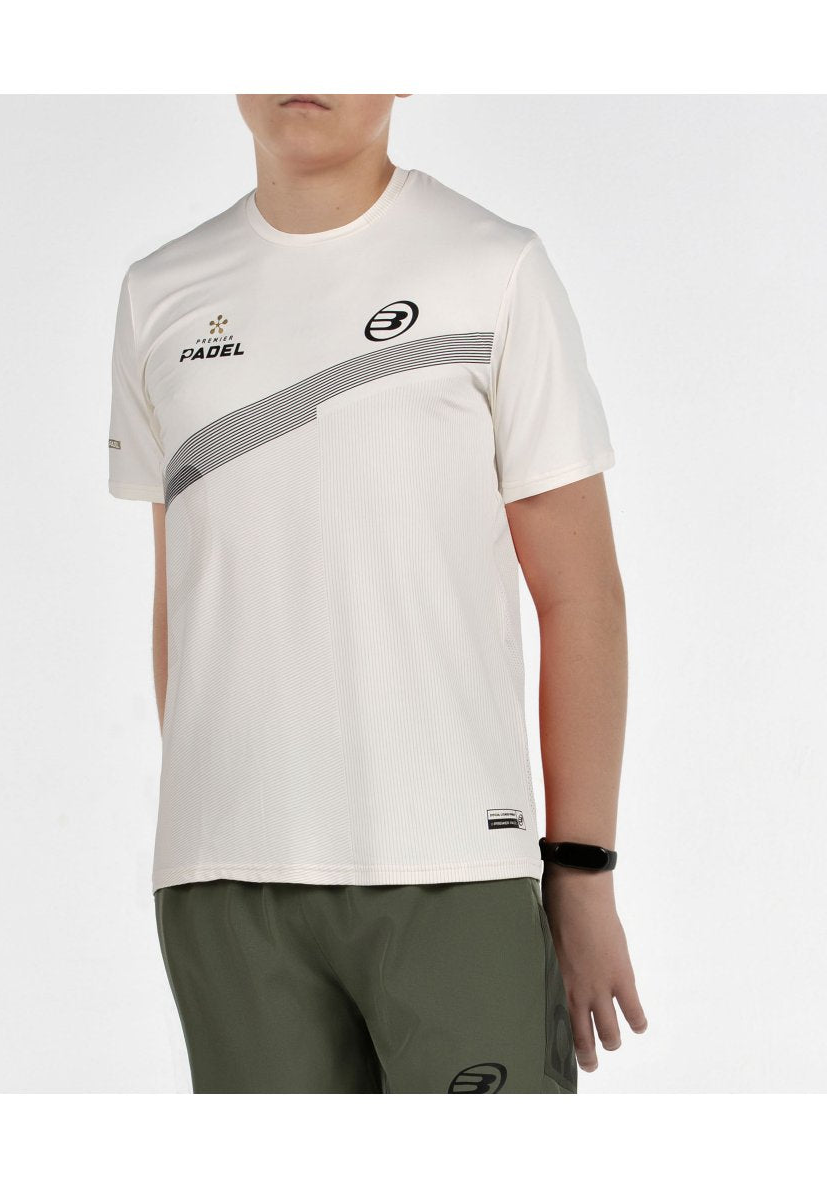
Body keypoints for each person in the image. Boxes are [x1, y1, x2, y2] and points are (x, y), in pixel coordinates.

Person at [107, 93, 648, 1093]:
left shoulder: (492, 269)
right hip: (225, 886)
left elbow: (581, 597)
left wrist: (581, 870)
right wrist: (209, 822)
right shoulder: (160, 294)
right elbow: (184, 590)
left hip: (452, 869)